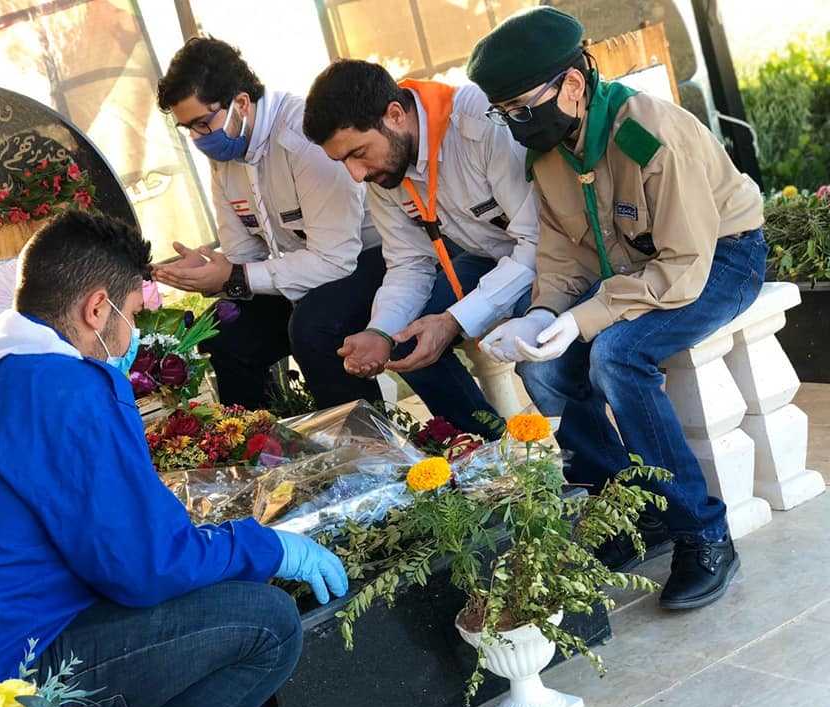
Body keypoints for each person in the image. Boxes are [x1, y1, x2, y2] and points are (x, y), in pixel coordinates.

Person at [0, 210, 347, 707]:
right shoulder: (68, 387)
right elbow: (148, 566)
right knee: (266, 622)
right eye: (132, 316)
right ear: (97, 308)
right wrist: (268, 547)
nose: (132, 339)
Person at [468, 7, 766, 609]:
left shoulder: (650, 136)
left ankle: (702, 532)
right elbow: (562, 254)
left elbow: (683, 265)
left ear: (573, 85)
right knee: (541, 365)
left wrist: (583, 318)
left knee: (617, 355)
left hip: (721, 258)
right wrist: (541, 313)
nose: (516, 125)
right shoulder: (550, 152)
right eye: (504, 113)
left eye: (521, 108)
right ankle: (631, 509)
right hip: (633, 271)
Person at [302, 59, 539, 440]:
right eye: (342, 161)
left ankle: (588, 465)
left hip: (551, 257)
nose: (356, 175)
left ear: (395, 115)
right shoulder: (384, 169)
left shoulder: (478, 123)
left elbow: (537, 243)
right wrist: (380, 331)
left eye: (358, 152)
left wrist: (454, 320)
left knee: (540, 361)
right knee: (406, 340)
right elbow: (408, 263)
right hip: (486, 257)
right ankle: (488, 451)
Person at [154, 37, 384, 411]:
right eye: (187, 129)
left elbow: (335, 261)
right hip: (304, 272)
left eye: (201, 123)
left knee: (312, 326)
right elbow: (243, 255)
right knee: (223, 332)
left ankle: (366, 440)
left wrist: (234, 276)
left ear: (242, 103)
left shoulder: (304, 138)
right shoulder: (225, 152)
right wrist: (212, 270)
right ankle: (259, 440)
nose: (197, 138)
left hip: (370, 260)